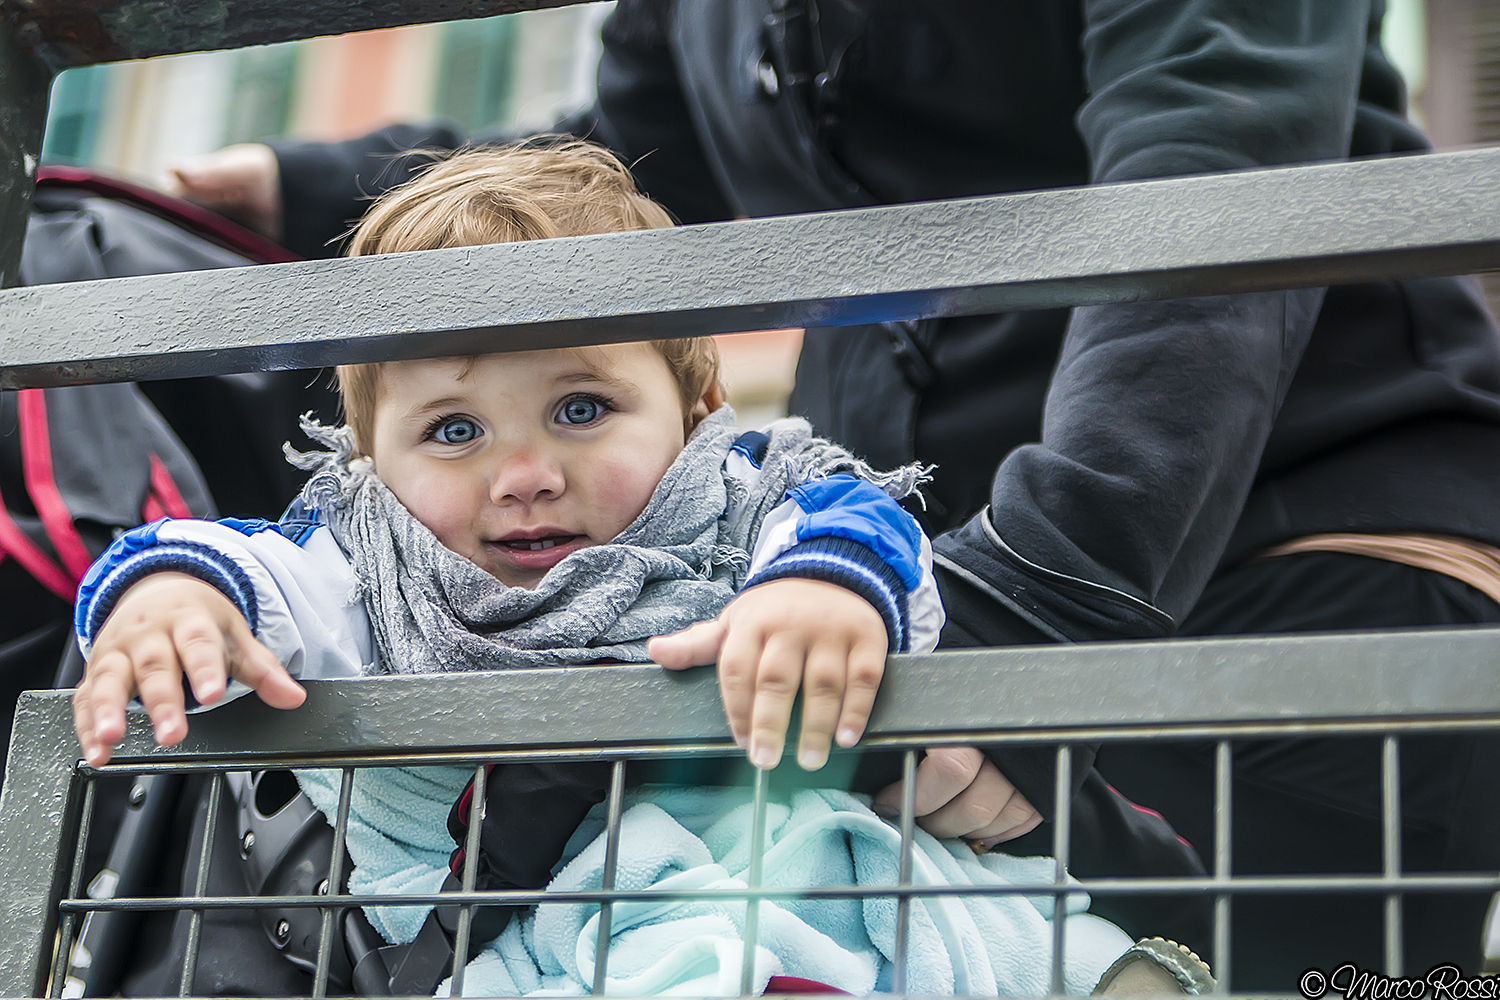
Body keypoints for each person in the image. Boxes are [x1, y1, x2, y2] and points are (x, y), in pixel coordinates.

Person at [171, 1, 1500, 982]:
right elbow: (617, 173)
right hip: (916, 620)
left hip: (1293, 565)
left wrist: (997, 632)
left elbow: (1214, 186)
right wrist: (320, 192)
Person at [66, 142, 1215, 997]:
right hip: (518, 925)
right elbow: (240, 565)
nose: (523, 473)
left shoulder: (737, 491)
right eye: (454, 431)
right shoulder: (364, 554)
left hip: (806, 860)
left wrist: (811, 594)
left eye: (580, 408)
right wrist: (175, 599)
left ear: (697, 403)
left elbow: (850, 524)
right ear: (372, 457)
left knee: (1009, 927)